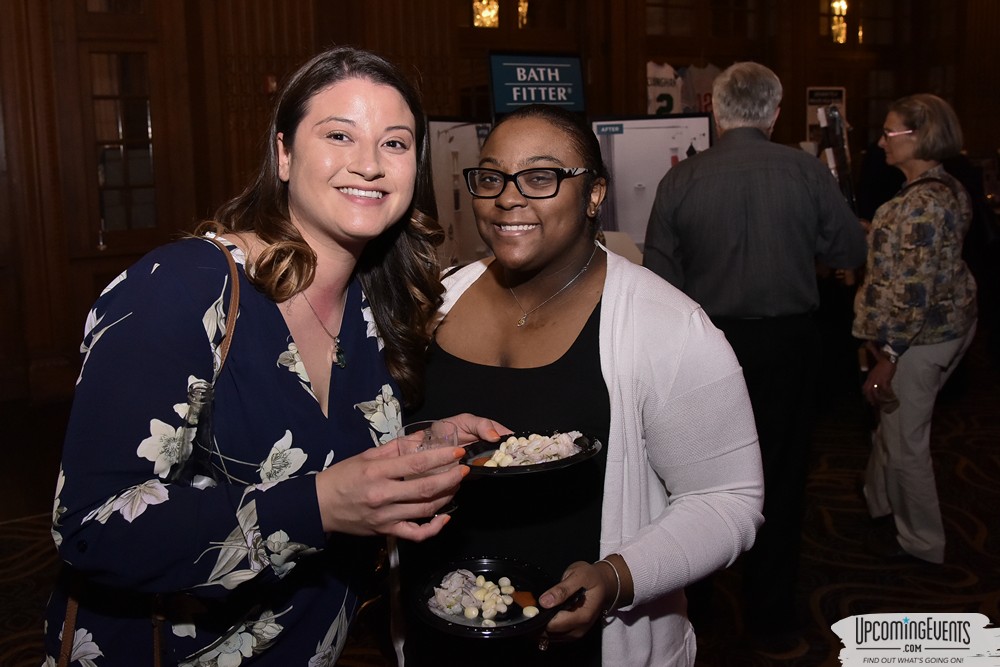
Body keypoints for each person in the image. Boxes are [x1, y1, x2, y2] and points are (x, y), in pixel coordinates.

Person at [43, 46, 509, 666]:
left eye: (394, 144)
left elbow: (333, 458)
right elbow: (90, 528)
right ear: (284, 155)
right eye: (339, 135)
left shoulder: (376, 308)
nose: (369, 164)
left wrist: (422, 447)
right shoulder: (182, 288)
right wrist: (322, 506)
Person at [398, 103, 765, 666]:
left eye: (541, 176)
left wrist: (617, 578)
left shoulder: (668, 325)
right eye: (491, 176)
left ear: (594, 193)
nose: (508, 197)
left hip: (583, 645)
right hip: (439, 631)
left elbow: (728, 500)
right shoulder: (436, 301)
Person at [642, 61, 867, 645]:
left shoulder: (681, 181)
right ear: (775, 111)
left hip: (705, 347)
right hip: (790, 346)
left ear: (715, 111)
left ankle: (704, 606)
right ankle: (770, 616)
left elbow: (658, 286)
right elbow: (848, 245)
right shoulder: (806, 171)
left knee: (697, 477)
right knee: (785, 475)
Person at [854, 93, 978, 565]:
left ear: (920, 135)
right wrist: (879, 233)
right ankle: (879, 500)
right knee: (894, 423)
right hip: (950, 325)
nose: (882, 140)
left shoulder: (920, 205)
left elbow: (912, 296)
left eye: (890, 132)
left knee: (907, 443)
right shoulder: (940, 188)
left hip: (920, 341)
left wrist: (887, 357)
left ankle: (923, 544)